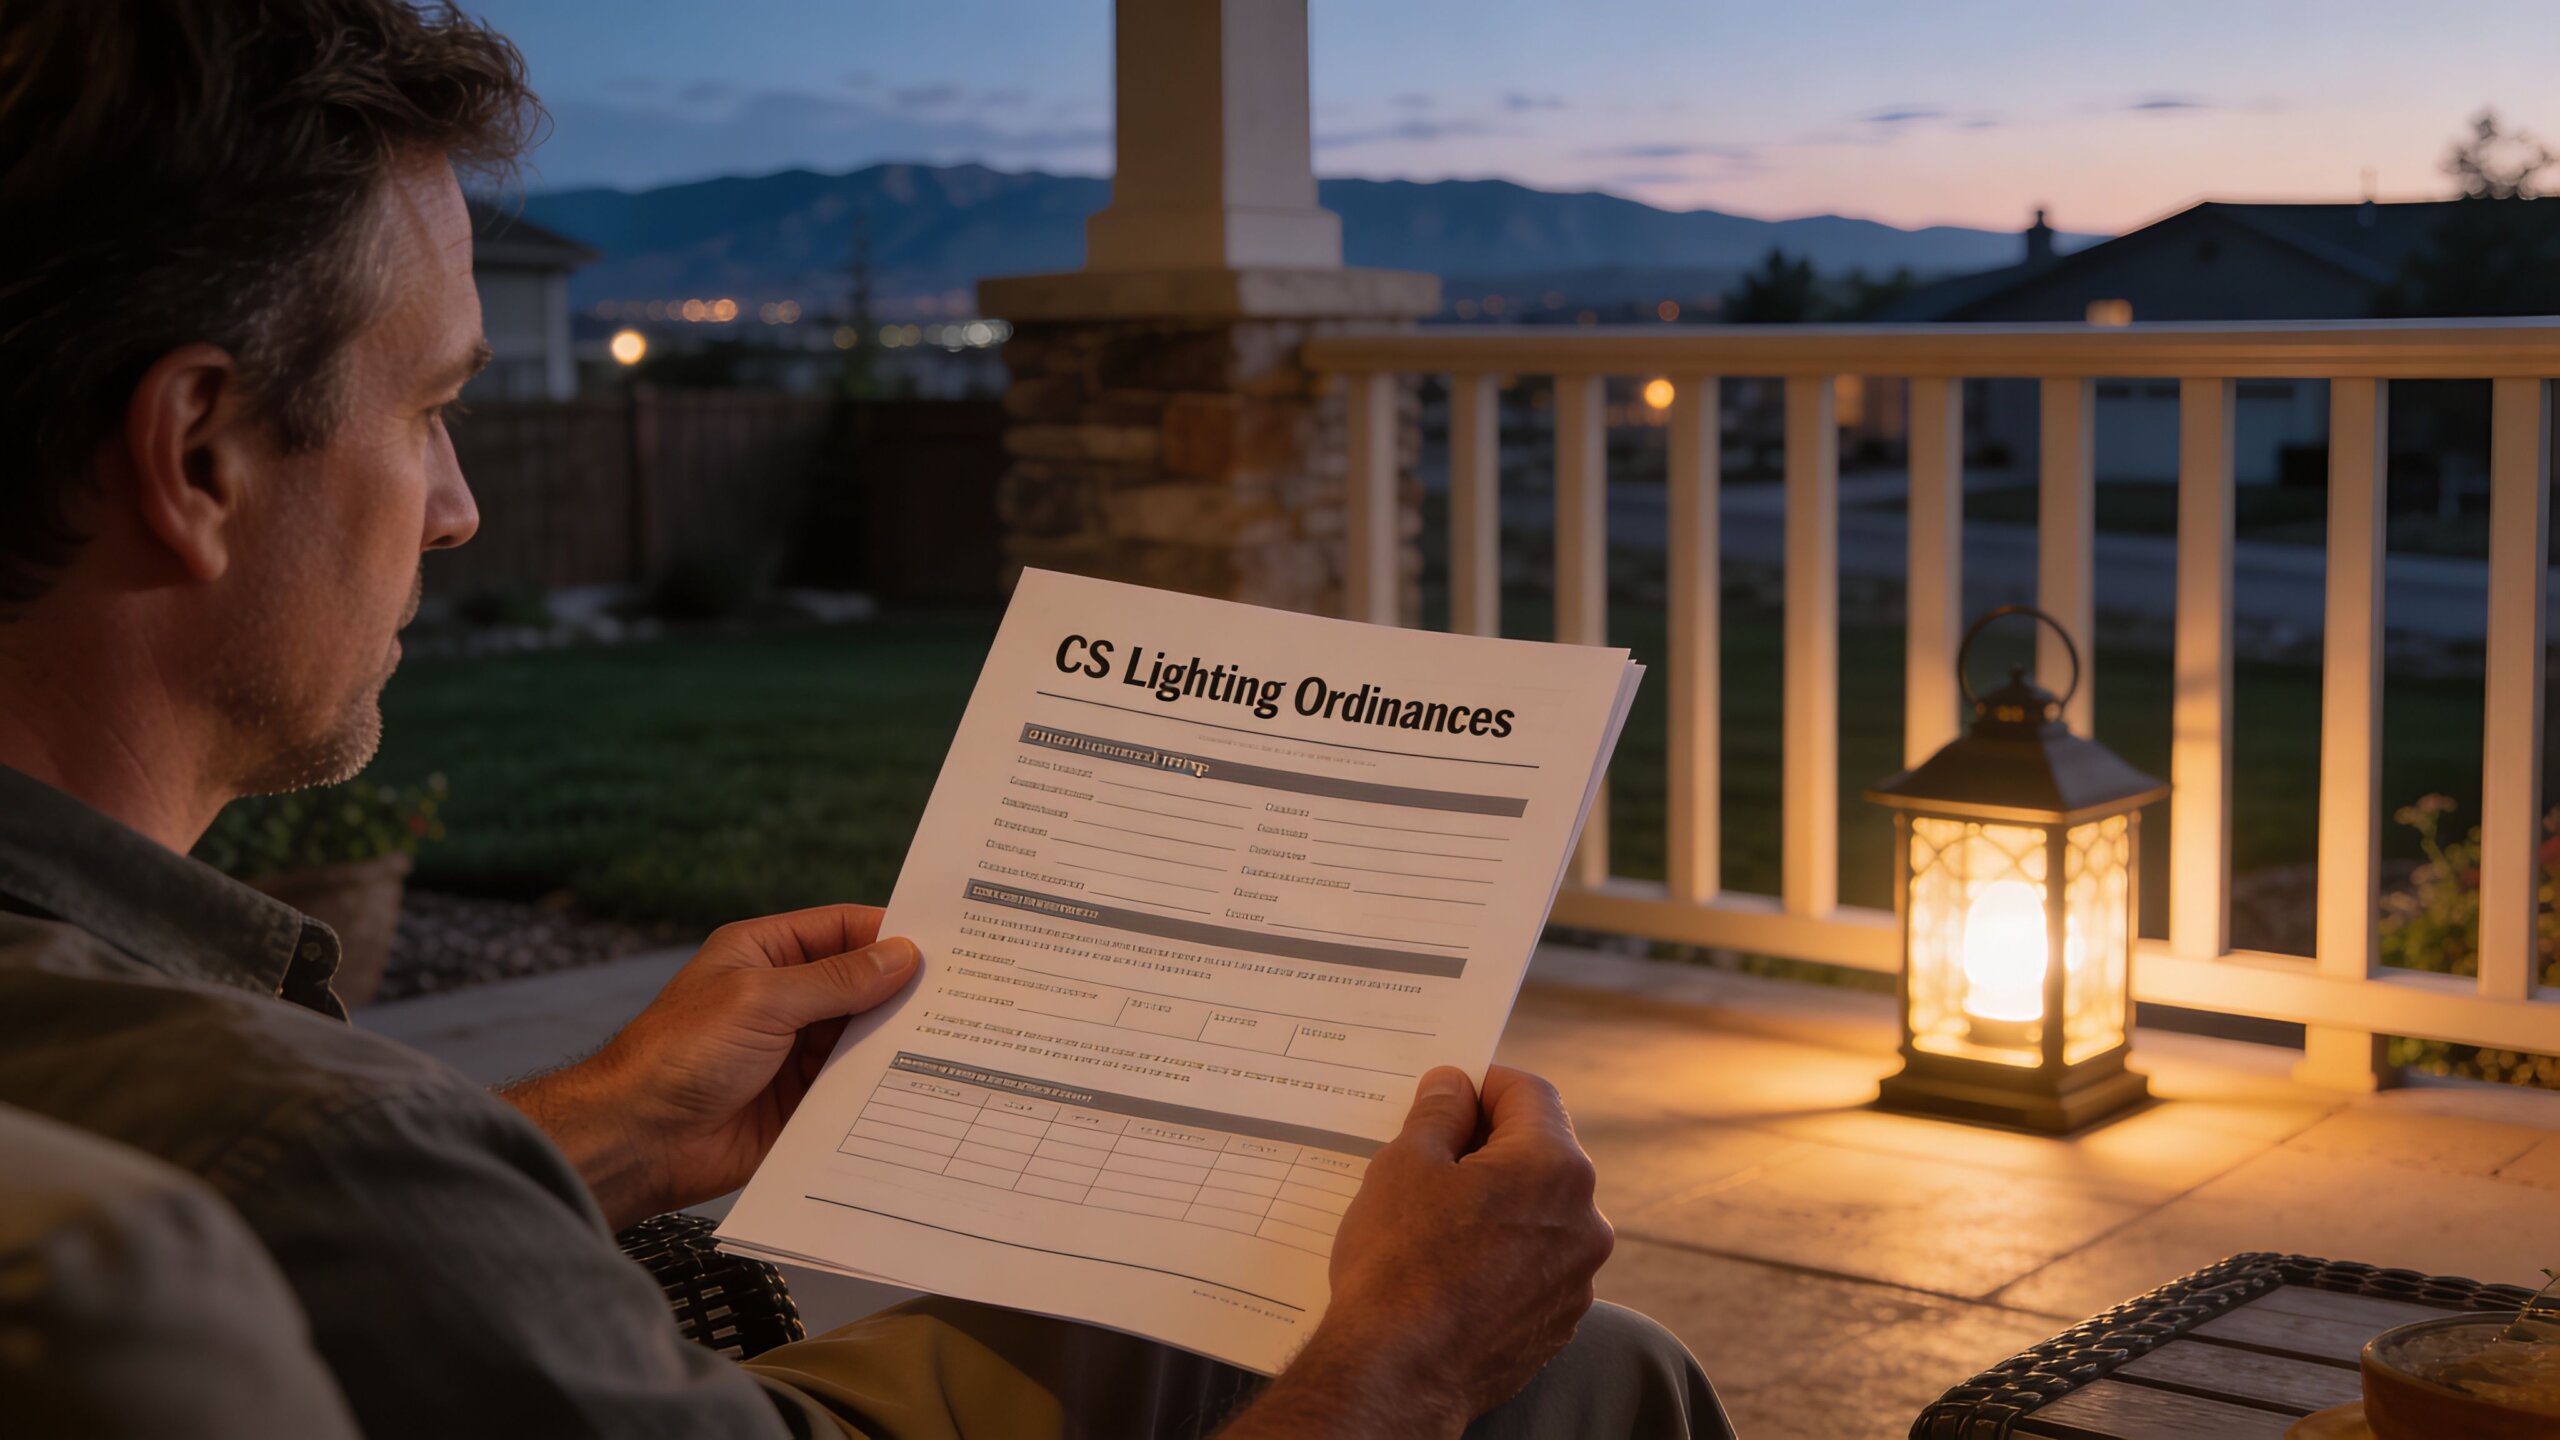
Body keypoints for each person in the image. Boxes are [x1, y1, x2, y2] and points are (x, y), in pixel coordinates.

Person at [0, 3, 1733, 1437]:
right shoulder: (304, 1137)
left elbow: (315, 1230)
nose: (456, 508)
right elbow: (317, 1185)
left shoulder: (168, 1106)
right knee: (1570, 1374)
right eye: (435, 407)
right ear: (200, 456)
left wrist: (614, 1119)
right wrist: (1402, 1371)